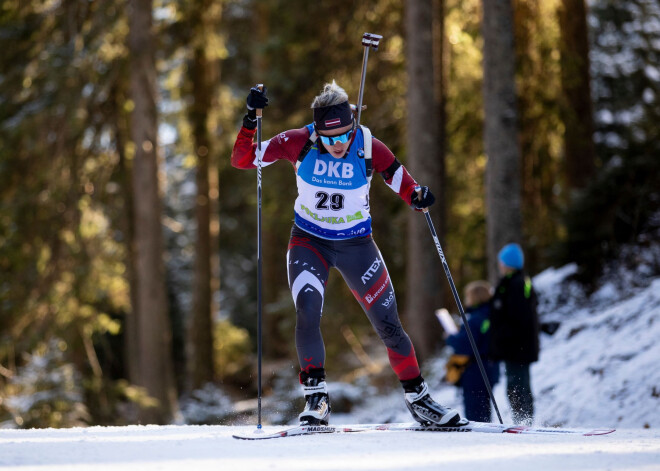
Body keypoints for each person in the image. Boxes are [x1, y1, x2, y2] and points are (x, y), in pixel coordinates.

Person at [231, 82, 463, 428]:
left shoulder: (367, 144)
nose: (338, 144)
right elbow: (242, 159)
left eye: (344, 136)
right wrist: (251, 118)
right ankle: (317, 399)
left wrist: (417, 196)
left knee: (388, 324)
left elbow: (399, 178)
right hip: (310, 242)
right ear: (317, 132)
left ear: (352, 125)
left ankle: (419, 400)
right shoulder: (297, 141)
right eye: (330, 138)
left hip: (357, 245)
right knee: (307, 312)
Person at [489, 243, 540, 425]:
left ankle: (524, 421)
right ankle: (522, 420)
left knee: (518, 385)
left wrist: (503, 337)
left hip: (518, 347)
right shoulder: (511, 283)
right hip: (515, 346)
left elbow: (517, 318)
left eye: (502, 262)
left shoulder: (516, 284)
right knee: (516, 385)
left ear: (507, 264)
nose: (500, 266)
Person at [446, 281, 499, 423]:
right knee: (484, 408)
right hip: (491, 367)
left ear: (475, 297)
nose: (466, 300)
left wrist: (451, 338)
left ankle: (478, 439)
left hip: (476, 370)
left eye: (468, 296)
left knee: (475, 412)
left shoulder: (475, 319)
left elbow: (465, 345)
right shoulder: (491, 314)